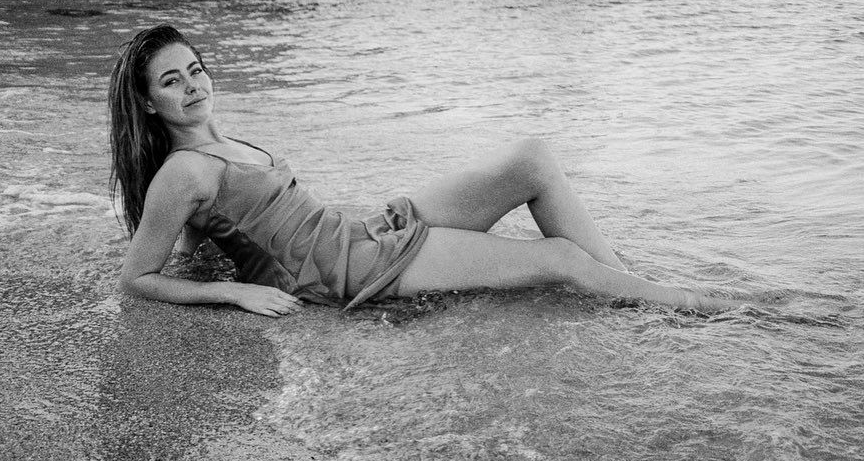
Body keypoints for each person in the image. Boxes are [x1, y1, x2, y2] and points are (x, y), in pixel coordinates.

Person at [109, 24, 736, 318]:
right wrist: (235, 291)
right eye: (172, 82)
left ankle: (630, 287)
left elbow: (207, 236)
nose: (192, 86)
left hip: (356, 231)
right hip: (350, 270)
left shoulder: (223, 145)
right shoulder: (182, 173)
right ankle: (700, 307)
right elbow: (137, 279)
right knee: (561, 260)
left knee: (532, 159)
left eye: (195, 70)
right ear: (148, 102)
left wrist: (212, 258)